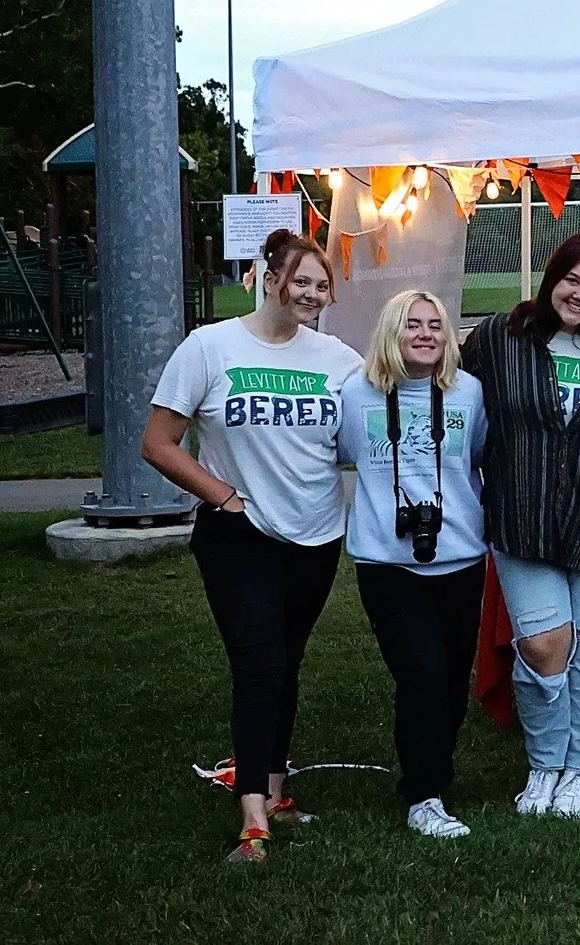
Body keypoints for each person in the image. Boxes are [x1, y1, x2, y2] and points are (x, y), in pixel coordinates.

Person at [141, 229, 363, 863]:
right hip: (239, 536)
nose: (312, 295)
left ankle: (275, 790)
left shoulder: (337, 359)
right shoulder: (209, 347)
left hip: (317, 536)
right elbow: (157, 443)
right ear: (270, 279)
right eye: (301, 281)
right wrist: (224, 498)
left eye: (323, 286)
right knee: (259, 666)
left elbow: (374, 413)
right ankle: (252, 822)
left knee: (286, 663)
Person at [461, 232, 580, 820]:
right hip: (524, 519)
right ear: (551, 279)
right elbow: (449, 396)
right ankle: (545, 761)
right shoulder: (499, 338)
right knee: (544, 645)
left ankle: (579, 770)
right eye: (572, 279)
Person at [338, 290, 488, 839]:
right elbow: (339, 452)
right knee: (420, 673)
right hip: (387, 560)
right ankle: (423, 794)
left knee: (450, 678)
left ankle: (433, 773)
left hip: (460, 556)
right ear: (390, 333)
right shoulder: (358, 393)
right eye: (412, 325)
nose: (425, 334)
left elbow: (479, 458)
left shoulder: (468, 392)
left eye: (435, 325)